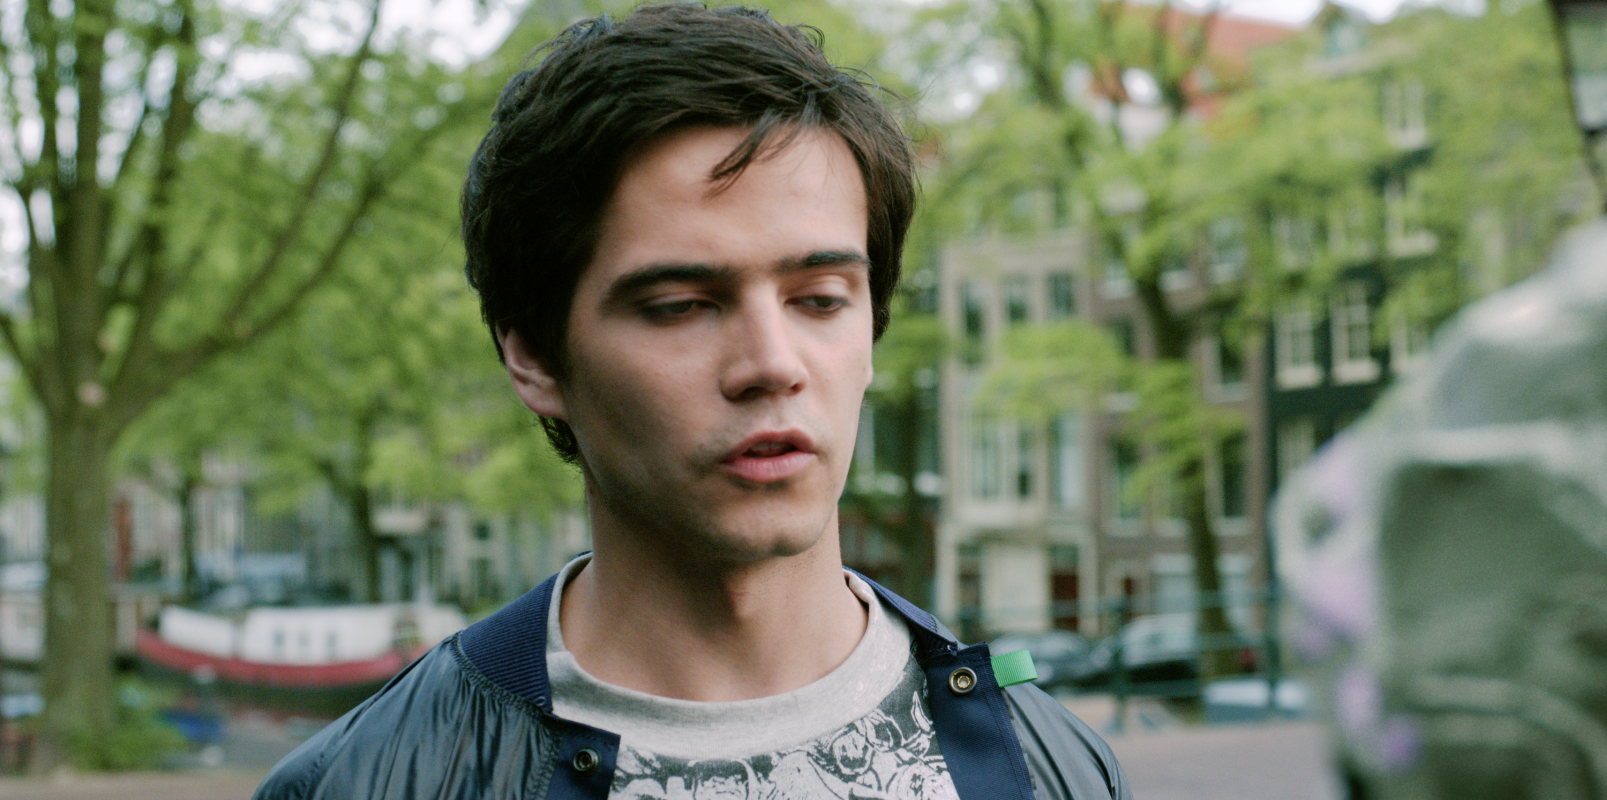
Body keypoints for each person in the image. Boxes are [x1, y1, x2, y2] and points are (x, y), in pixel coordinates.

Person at [253, 4, 1129, 800]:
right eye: (680, 306)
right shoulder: (369, 783)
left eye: (820, 299)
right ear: (534, 356)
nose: (772, 364)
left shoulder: (1050, 769)